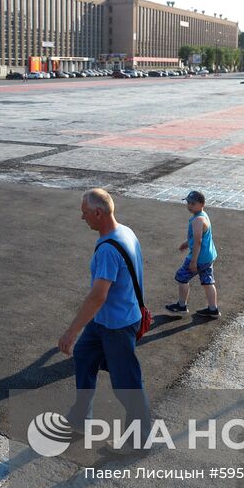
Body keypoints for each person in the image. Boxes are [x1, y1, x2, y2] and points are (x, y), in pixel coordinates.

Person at [58, 188, 150, 440]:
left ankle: (139, 439)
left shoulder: (108, 250)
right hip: (107, 321)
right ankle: (80, 417)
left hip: (116, 325)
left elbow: (98, 296)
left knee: (127, 384)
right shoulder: (125, 232)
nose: (82, 217)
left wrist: (70, 332)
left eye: (85, 213)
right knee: (85, 356)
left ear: (98, 213)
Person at [165, 190, 220, 318]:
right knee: (208, 282)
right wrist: (186, 242)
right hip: (208, 256)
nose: (189, 206)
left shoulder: (197, 220)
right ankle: (213, 309)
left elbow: (198, 241)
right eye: (188, 202)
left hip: (199, 258)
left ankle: (181, 306)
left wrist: (193, 261)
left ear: (202, 204)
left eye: (193, 203)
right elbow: (200, 237)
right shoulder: (203, 215)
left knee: (182, 277)